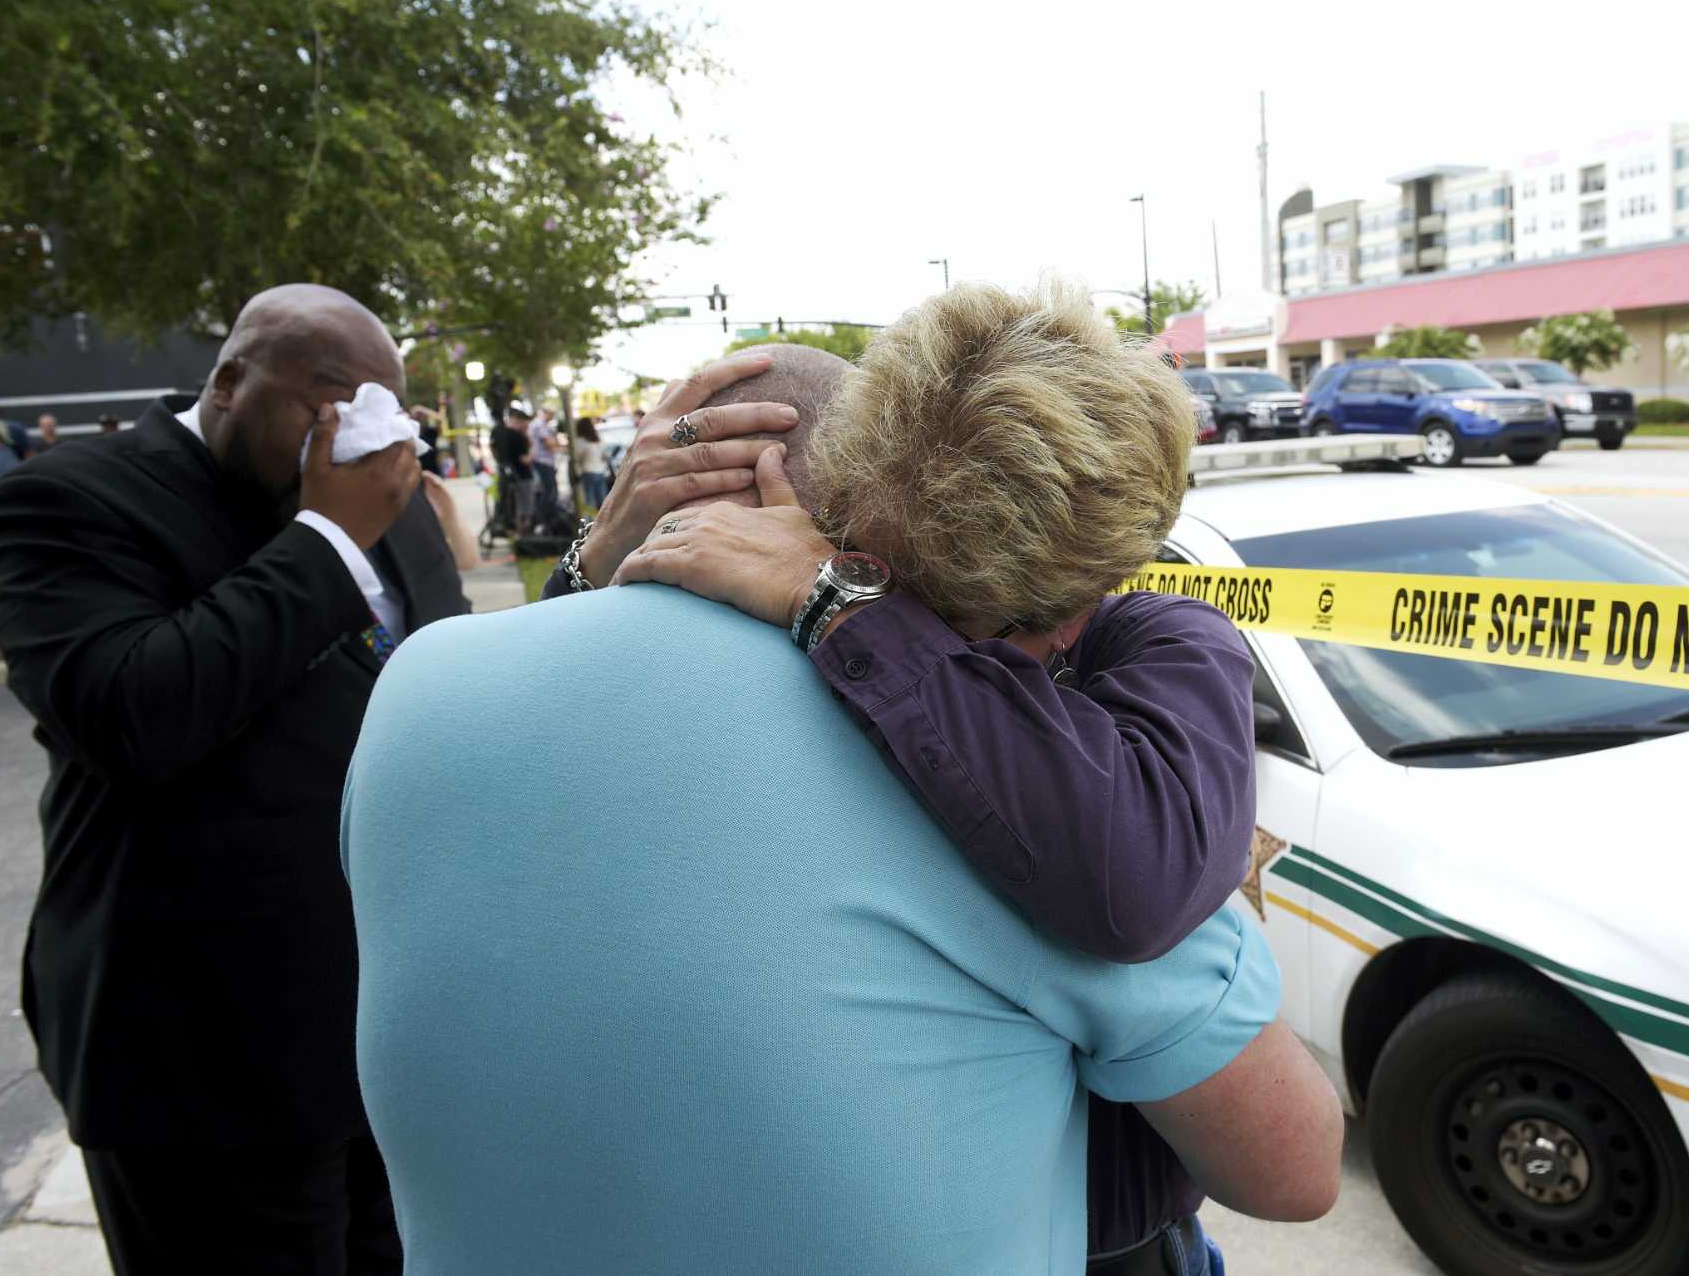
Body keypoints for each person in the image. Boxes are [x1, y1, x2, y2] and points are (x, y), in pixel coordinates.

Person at [342, 340, 1342, 1275]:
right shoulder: (988, 770)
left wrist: (592, 563)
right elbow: (1292, 1166)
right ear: (863, 518)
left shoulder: (413, 692)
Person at [592, 287, 1266, 1271]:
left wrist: (841, 603)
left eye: (967, 623)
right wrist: (592, 565)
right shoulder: (837, 611)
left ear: (1079, 606)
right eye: (875, 570)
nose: (910, 611)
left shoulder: (1158, 644)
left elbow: (1135, 879)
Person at [0, 283, 470, 1276]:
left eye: (374, 405)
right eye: (322, 400)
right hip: (196, 1055)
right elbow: (133, 714)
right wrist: (328, 539)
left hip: (385, 1032)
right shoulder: (72, 499)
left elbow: (442, 689)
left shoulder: (391, 504)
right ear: (232, 378)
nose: (343, 432)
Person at [489, 405, 534, 535]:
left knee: (509, 504)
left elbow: (492, 447)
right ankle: (523, 534)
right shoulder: (518, 437)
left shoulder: (497, 432)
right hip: (523, 475)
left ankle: (510, 530)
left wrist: (500, 461)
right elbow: (525, 459)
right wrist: (533, 450)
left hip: (505, 475)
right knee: (525, 506)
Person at [527, 405, 561, 520]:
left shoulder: (538, 424)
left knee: (546, 490)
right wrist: (555, 440)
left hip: (542, 461)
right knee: (549, 491)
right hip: (543, 461)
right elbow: (550, 443)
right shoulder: (540, 425)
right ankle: (544, 518)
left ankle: (543, 517)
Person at [573, 417, 608, 513]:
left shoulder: (580, 441)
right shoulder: (597, 439)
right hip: (600, 471)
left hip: (588, 472)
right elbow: (604, 456)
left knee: (590, 501)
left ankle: (590, 523)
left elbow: (578, 457)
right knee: (603, 500)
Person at [411, 405, 443, 475]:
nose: (419, 419)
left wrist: (424, 410)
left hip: (433, 470)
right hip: (418, 471)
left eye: (421, 416)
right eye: (417, 417)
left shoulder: (430, 432)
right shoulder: (411, 433)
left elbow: (440, 419)